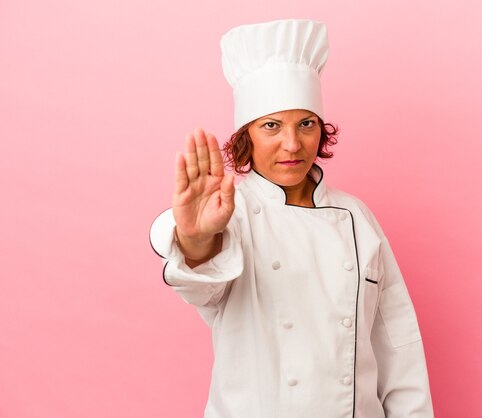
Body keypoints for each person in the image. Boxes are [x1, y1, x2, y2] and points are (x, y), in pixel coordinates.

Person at [149, 19, 434, 418]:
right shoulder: (232, 213)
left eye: (306, 124)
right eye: (271, 126)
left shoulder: (356, 216)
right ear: (245, 136)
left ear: (322, 130)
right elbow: (201, 285)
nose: (292, 143)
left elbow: (397, 342)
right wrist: (196, 239)